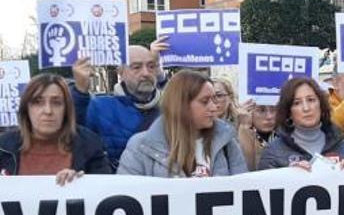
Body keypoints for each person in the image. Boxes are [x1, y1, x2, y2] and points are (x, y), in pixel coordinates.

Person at [117, 71, 248, 177]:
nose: (214, 107)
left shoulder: (227, 144)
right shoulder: (140, 146)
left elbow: (242, 192)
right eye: (205, 101)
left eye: (214, 99)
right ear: (181, 105)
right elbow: (127, 197)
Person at [72, 39, 167, 169]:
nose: (146, 73)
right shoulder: (99, 107)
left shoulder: (170, 109)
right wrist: (80, 90)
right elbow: (73, 134)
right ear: (121, 72)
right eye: (136, 67)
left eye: (151, 66)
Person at [0, 74, 111, 182]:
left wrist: (82, 183)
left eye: (56, 103)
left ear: (66, 109)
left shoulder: (90, 145)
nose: (48, 111)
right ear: (26, 109)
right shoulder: (3, 146)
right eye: (38, 102)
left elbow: (105, 191)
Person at [258, 78, 344, 170]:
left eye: (311, 100)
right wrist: (288, 176)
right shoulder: (273, 152)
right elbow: (264, 184)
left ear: (321, 104)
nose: (306, 108)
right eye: (297, 103)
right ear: (288, 112)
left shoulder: (343, 147)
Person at [239, 103, 277, 171]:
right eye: (261, 110)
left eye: (274, 110)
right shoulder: (234, 135)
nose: (269, 117)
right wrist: (245, 128)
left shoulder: (287, 136)